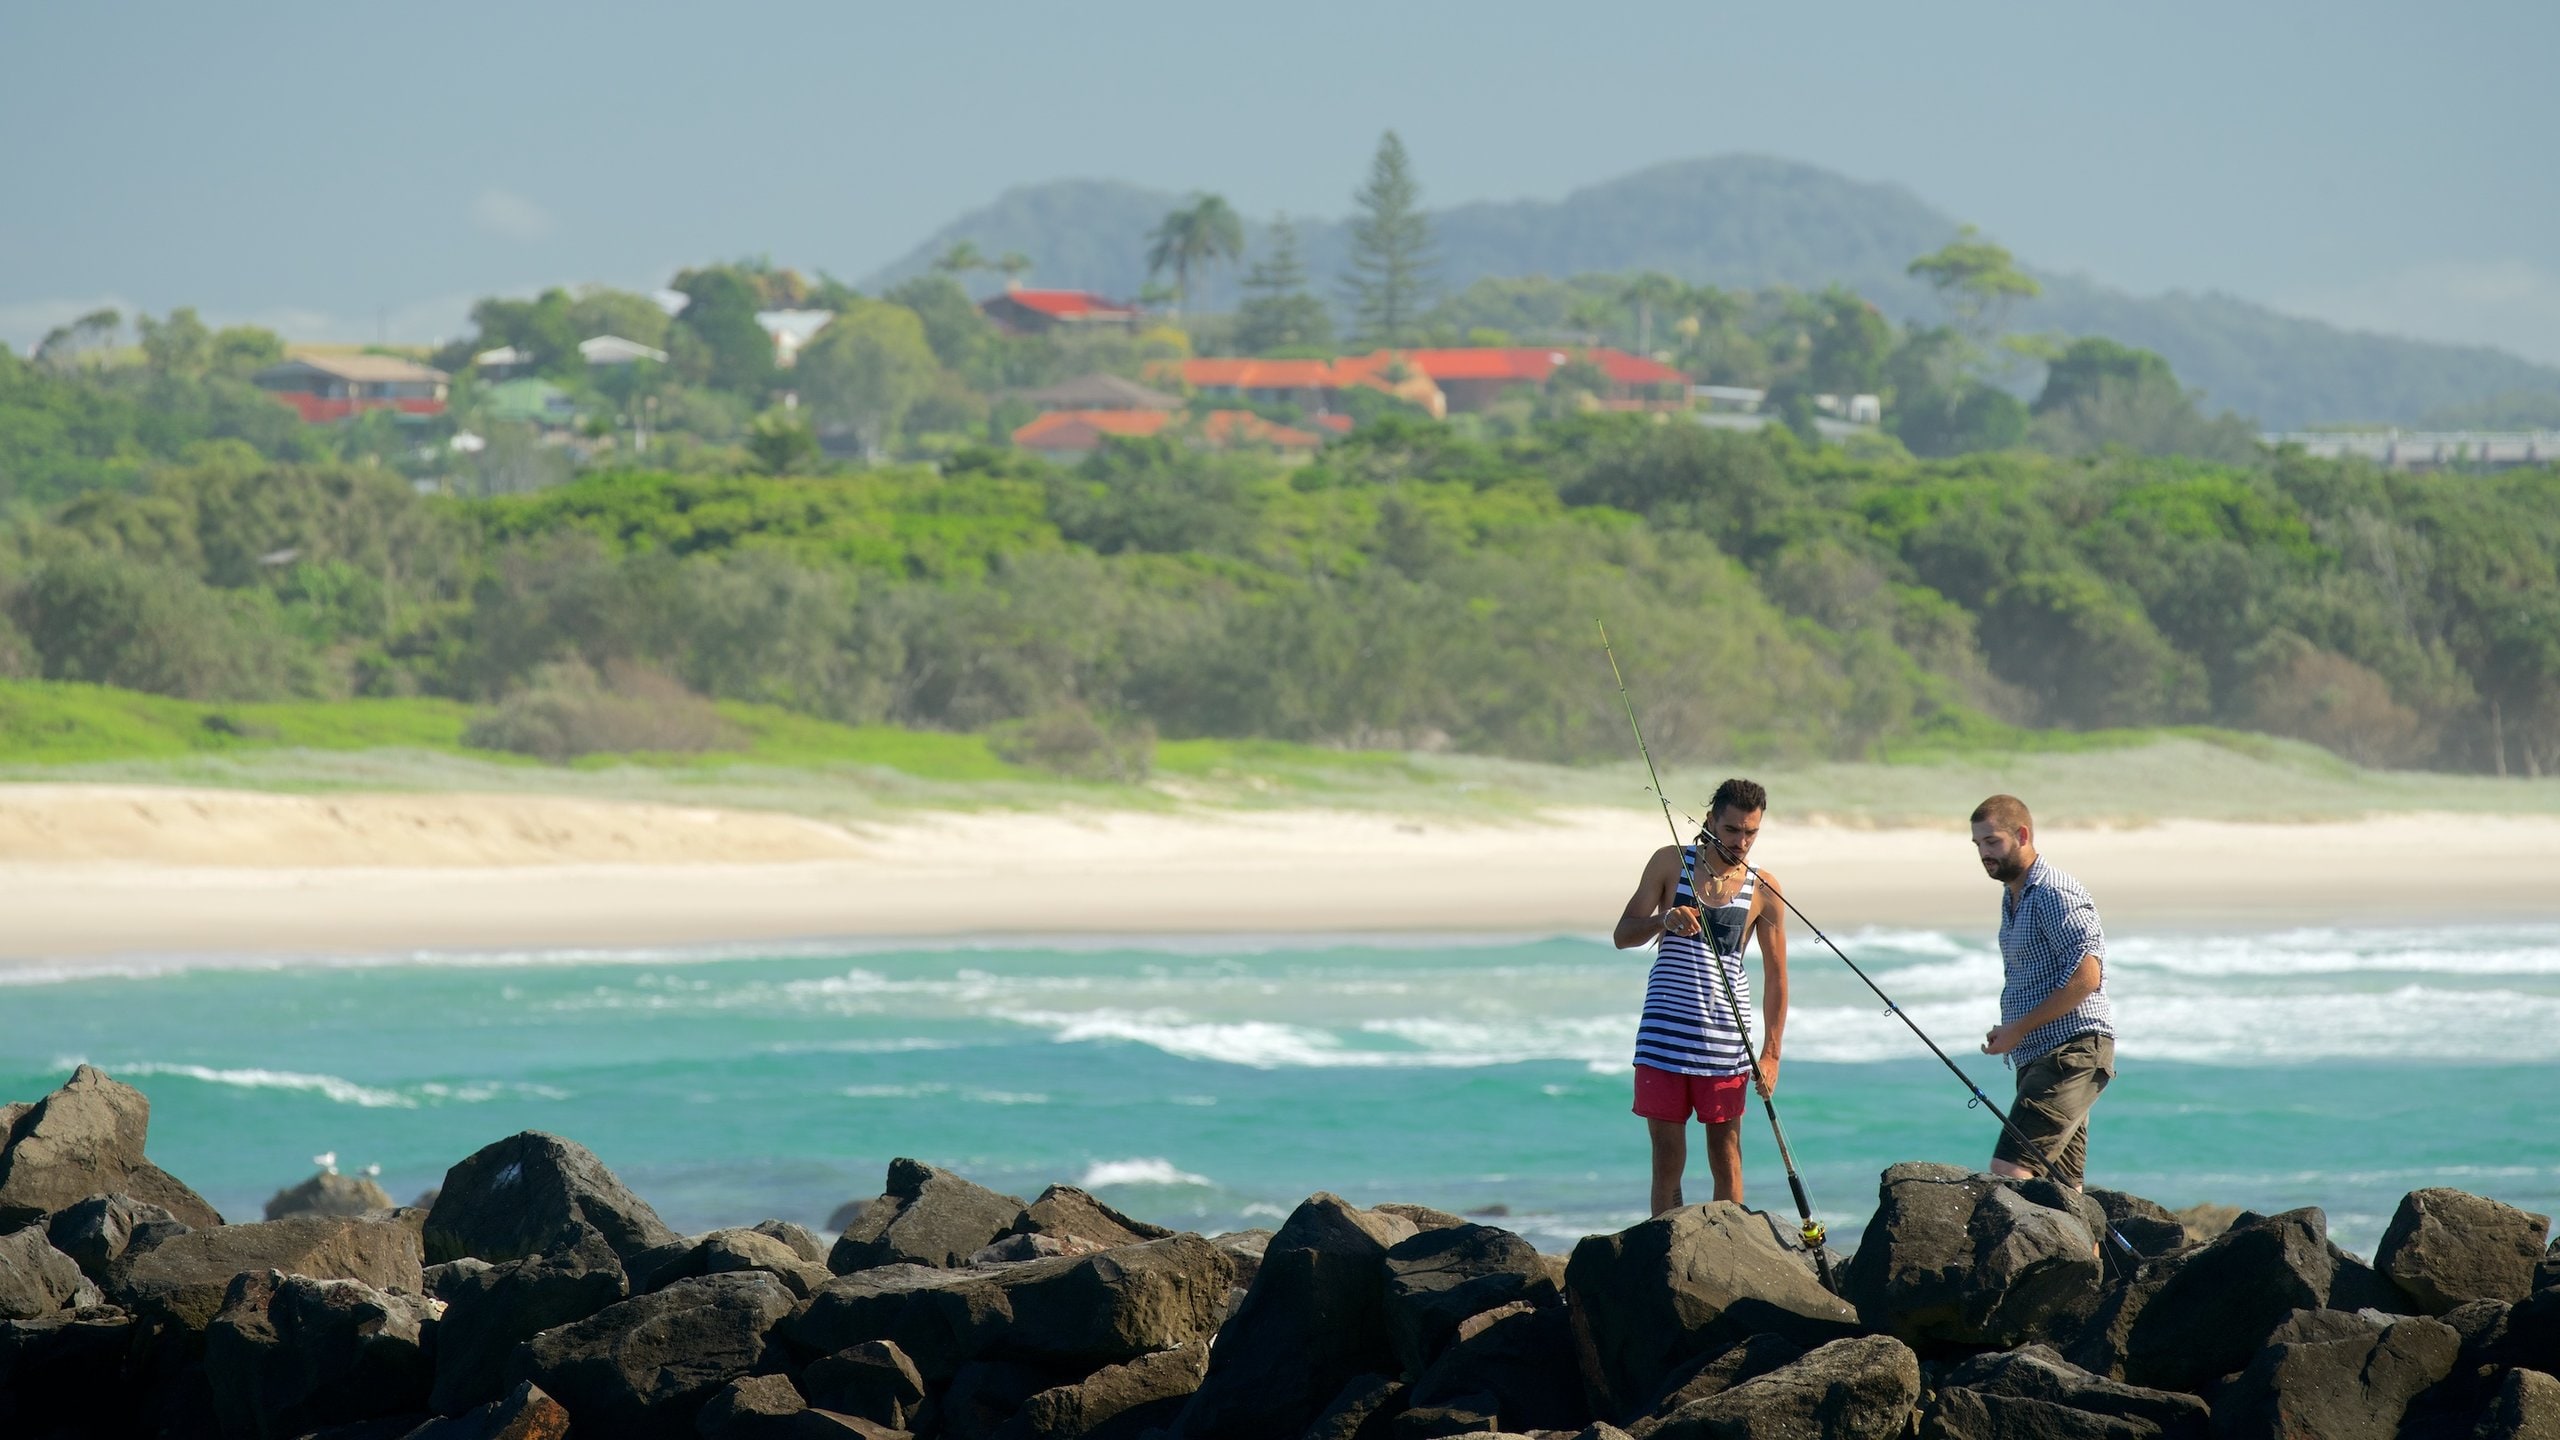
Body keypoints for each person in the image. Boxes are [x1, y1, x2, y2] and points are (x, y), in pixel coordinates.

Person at [1612, 777, 1789, 1215]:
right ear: (1711, 820)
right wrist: (1662, 922)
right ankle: (1665, 1251)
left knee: (1726, 1156)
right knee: (1667, 1160)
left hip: (1726, 1044)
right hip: (1662, 1041)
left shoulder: (1763, 888)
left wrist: (1771, 1054)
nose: (1742, 842)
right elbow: (1622, 935)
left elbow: (1777, 978)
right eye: (1732, 830)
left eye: (1751, 832)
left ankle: (1729, 1247)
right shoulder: (1671, 863)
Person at [1970, 793, 2115, 1191]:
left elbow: (2088, 975)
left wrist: (2019, 1028)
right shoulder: (2014, 894)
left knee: (2011, 1167)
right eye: (1978, 845)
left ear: (2022, 834)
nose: (1984, 853)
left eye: (1992, 842)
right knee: (2062, 1189)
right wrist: (2016, 1031)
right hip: (2040, 1053)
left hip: (2073, 1051)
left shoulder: (2054, 891)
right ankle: (2087, 1255)